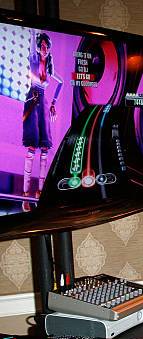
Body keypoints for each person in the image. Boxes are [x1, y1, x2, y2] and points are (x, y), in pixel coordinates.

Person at [22, 30, 63, 211]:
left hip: (44, 102)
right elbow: (32, 42)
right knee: (32, 145)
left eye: (47, 46)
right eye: (42, 46)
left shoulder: (50, 67)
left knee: (45, 146)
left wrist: (53, 103)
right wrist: (33, 34)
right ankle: (25, 195)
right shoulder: (33, 59)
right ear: (39, 47)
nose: (44, 49)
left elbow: (61, 82)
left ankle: (40, 191)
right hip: (32, 99)